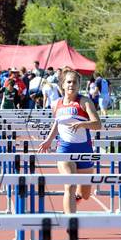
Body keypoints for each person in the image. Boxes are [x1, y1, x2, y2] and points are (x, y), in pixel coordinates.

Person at [38, 70, 101, 214]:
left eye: (75, 82)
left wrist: (83, 124)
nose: (72, 84)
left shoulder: (84, 101)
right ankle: (70, 223)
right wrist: (48, 140)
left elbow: (98, 124)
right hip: (64, 150)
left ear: (79, 85)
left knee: (85, 195)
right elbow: (57, 123)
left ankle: (77, 196)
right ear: (63, 85)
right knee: (70, 185)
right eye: (69, 82)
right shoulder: (56, 104)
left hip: (84, 151)